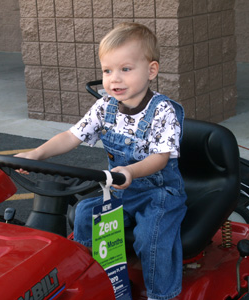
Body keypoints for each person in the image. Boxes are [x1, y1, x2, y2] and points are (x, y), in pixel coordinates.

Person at [16, 22, 187, 300]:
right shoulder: (104, 107)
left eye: (125, 69)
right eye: (107, 71)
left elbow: (159, 159)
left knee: (151, 237)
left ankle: (162, 294)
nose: (114, 79)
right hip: (120, 188)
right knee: (85, 213)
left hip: (159, 192)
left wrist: (130, 171)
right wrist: (37, 153)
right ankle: (96, 280)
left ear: (151, 70)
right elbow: (71, 136)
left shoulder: (163, 111)